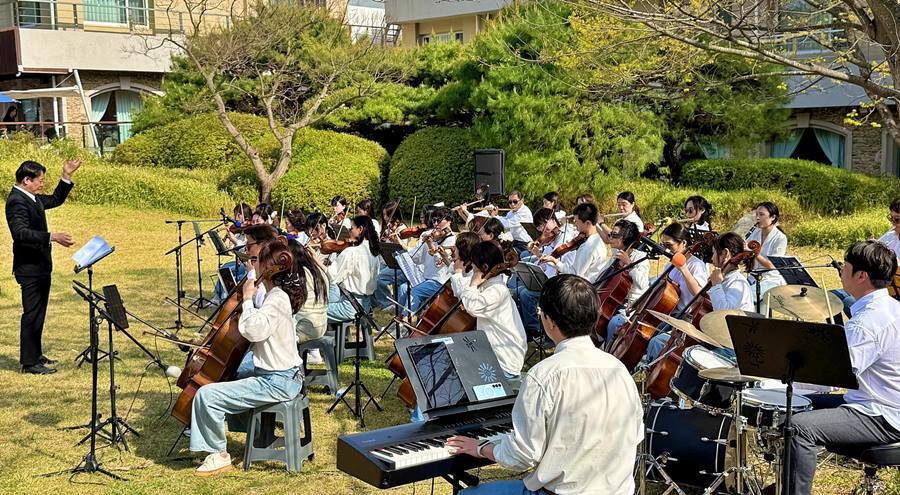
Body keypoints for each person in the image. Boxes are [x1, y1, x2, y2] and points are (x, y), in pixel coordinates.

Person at [446, 275, 644, 495]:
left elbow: (523, 456)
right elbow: (635, 434)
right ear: (595, 316)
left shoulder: (543, 375)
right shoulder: (619, 370)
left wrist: (482, 447)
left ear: (549, 321)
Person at [788, 241, 900, 495]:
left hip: (882, 414)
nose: (840, 269)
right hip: (878, 401)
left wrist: (778, 381)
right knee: (795, 401)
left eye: (845, 265)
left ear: (861, 276)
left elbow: (831, 376)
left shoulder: (866, 324)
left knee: (798, 427)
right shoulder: (892, 307)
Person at [189, 239, 304, 477]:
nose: (255, 267)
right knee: (236, 375)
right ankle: (257, 434)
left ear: (269, 268)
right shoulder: (277, 295)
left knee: (207, 394)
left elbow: (253, 330)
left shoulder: (276, 299)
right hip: (284, 376)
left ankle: (217, 454)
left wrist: (248, 299)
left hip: (278, 381)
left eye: (258, 262)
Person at [6, 158, 81, 375]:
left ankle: (35, 354)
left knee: (39, 313)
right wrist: (52, 236)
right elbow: (20, 233)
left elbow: (56, 199)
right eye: (39, 180)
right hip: (29, 268)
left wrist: (66, 175)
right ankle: (29, 363)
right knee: (31, 314)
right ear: (26, 180)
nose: (42, 184)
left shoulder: (32, 197)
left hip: (41, 266)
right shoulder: (16, 201)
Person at [450, 241, 527, 380]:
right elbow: (464, 293)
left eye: (473, 264)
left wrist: (473, 284)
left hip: (503, 360)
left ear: (484, 267)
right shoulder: (489, 284)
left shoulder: (497, 290)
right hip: (490, 352)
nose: (471, 268)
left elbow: (472, 306)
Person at [643, 222, 709, 361]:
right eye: (664, 245)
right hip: (670, 313)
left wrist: (684, 269)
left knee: (656, 341)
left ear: (683, 243)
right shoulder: (670, 263)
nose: (666, 250)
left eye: (669, 246)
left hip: (685, 316)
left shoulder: (697, 265)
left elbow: (699, 294)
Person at [325, 215, 381, 322]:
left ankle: (329, 337)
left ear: (360, 229)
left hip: (350, 306)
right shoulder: (374, 253)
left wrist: (314, 259)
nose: (349, 231)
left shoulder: (352, 252)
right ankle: (342, 336)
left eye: (351, 228)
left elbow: (332, 275)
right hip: (366, 305)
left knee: (310, 311)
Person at [603, 219, 650, 343]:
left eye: (614, 235)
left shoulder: (641, 258)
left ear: (624, 238)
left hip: (632, 304)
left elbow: (642, 284)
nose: (610, 237)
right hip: (615, 301)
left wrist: (629, 264)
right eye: (611, 234)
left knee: (614, 323)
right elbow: (603, 275)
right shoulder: (616, 255)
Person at [539, 202, 609, 283]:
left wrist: (555, 261)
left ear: (588, 223)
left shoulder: (588, 246)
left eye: (577, 222)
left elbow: (575, 274)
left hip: (583, 287)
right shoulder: (597, 237)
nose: (575, 224)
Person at [408, 207, 456, 313]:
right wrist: (421, 243)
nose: (435, 224)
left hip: (441, 281)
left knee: (415, 291)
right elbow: (416, 259)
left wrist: (430, 245)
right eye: (433, 220)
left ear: (449, 221)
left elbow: (439, 263)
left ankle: (405, 320)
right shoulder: (431, 235)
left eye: (439, 220)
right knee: (403, 288)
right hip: (426, 277)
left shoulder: (452, 240)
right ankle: (402, 317)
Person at [746, 201, 788, 304]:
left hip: (771, 278)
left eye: (761, 214)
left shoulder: (780, 238)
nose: (757, 218)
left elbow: (773, 265)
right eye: (757, 214)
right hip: (753, 276)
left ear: (773, 217)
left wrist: (755, 253)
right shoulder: (755, 232)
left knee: (749, 297)